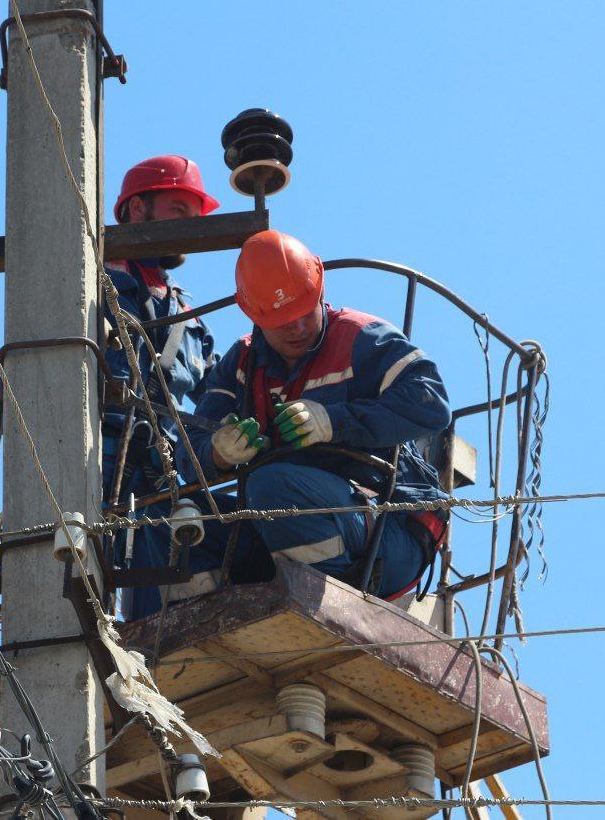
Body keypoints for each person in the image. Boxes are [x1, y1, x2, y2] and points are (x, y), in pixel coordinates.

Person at [167, 229, 452, 605]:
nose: (298, 327)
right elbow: (190, 456)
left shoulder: (361, 338)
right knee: (176, 521)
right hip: (288, 524)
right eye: (283, 319)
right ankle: (203, 616)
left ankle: (323, 602)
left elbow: (432, 402)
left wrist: (336, 421)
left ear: (321, 293)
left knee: (272, 487)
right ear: (253, 315)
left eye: (306, 311)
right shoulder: (241, 365)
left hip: (386, 531)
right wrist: (218, 453)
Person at [102, 156, 220, 616]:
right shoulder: (88, 285)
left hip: (164, 464)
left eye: (195, 216)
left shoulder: (188, 317)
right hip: (96, 448)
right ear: (136, 210)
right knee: (72, 569)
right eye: (178, 210)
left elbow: (216, 395)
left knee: (159, 592)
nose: (190, 226)